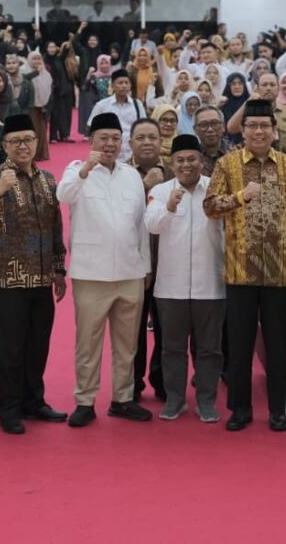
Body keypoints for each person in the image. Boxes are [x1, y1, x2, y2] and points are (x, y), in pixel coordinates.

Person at [204, 99, 286, 432]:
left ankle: (277, 410)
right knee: (240, 345)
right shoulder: (228, 164)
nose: (259, 131)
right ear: (243, 131)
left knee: (277, 345)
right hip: (240, 273)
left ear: (275, 131)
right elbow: (209, 207)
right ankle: (240, 408)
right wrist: (239, 197)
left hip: (279, 274)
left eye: (265, 126)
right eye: (252, 126)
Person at [57, 113, 152, 427]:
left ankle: (122, 399)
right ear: (91, 140)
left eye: (115, 138)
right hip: (91, 273)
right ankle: (85, 401)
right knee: (88, 343)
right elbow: (63, 194)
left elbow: (140, 225)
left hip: (129, 272)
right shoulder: (76, 170)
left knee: (127, 344)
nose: (110, 144)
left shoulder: (131, 175)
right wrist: (86, 169)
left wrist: (145, 266)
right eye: (103, 138)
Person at [0, 114, 68, 435]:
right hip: (7, 280)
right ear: (4, 146)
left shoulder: (47, 180)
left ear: (36, 143)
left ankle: (34, 400)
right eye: (15, 141)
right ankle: (9, 408)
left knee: (38, 345)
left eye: (28, 140)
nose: (22, 146)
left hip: (41, 278)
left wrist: (59, 268)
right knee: (10, 349)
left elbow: (55, 227)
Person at [144, 134, 224, 422]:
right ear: (171, 163)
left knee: (209, 349)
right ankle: (175, 399)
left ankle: (207, 401)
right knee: (172, 348)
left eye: (192, 159)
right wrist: (169, 207)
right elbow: (151, 225)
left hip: (210, 284)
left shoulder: (216, 189)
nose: (186, 165)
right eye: (180, 160)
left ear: (201, 161)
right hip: (171, 286)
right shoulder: (161, 191)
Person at [127, 119, 170, 400]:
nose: (146, 142)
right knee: (132, 331)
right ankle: (132, 384)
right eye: (140, 137)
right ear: (130, 143)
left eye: (152, 137)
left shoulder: (176, 171)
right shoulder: (120, 173)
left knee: (168, 330)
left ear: (160, 141)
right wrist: (145, 186)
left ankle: (164, 381)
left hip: (168, 264)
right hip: (132, 266)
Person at [87, 69, 147, 162]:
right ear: (112, 86)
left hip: (132, 153)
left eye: (126, 83)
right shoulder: (102, 105)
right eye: (120, 83)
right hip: (108, 152)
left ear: (130, 85)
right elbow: (91, 126)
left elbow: (144, 127)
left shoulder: (137, 105)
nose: (124, 86)